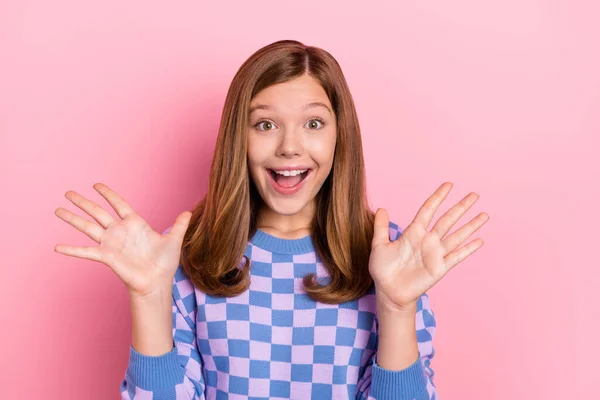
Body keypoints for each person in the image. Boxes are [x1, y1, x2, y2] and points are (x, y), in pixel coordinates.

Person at [54, 40, 489, 399]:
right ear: (236, 138)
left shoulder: (391, 255)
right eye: (265, 125)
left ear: (341, 135)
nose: (289, 147)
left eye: (314, 123)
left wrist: (395, 308)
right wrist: (149, 296)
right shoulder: (183, 254)